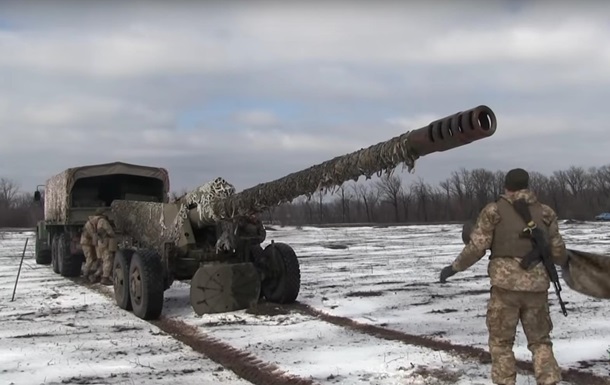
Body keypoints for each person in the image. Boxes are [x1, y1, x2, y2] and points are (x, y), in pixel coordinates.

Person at [439, 168, 568, 385]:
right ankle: (549, 381)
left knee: (501, 343)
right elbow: (558, 253)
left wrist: (454, 268)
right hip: (537, 288)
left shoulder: (494, 211)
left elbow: (476, 248)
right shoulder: (546, 213)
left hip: (505, 289)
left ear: (506, 186)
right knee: (541, 342)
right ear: (527, 186)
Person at [92, 207, 117, 286]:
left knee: (103, 259)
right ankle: (105, 278)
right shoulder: (102, 221)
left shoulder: (95, 221)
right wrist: (114, 235)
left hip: (100, 242)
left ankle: (98, 275)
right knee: (108, 259)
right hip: (105, 241)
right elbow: (109, 231)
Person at [80, 213, 101, 282]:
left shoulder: (92, 223)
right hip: (85, 243)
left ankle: (90, 273)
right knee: (89, 259)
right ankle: (85, 275)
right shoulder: (89, 225)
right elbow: (94, 236)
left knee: (93, 259)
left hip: (88, 242)